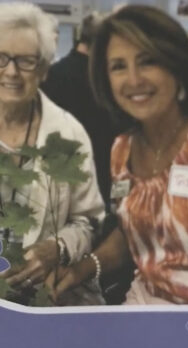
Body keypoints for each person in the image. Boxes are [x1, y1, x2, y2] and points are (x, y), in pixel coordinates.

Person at [50, 5, 188, 305]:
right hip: (141, 311)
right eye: (118, 66)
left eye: (147, 62)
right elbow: (140, 227)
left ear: (177, 64)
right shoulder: (122, 148)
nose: (133, 80)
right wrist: (80, 269)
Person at [0, 2, 105, 304]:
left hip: (45, 295)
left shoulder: (69, 134)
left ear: (43, 69)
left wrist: (58, 247)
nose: (11, 72)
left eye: (26, 61)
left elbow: (89, 221)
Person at [42, 11, 118, 204]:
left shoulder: (52, 74)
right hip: (99, 171)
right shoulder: (105, 80)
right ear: (103, 43)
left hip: (57, 171)